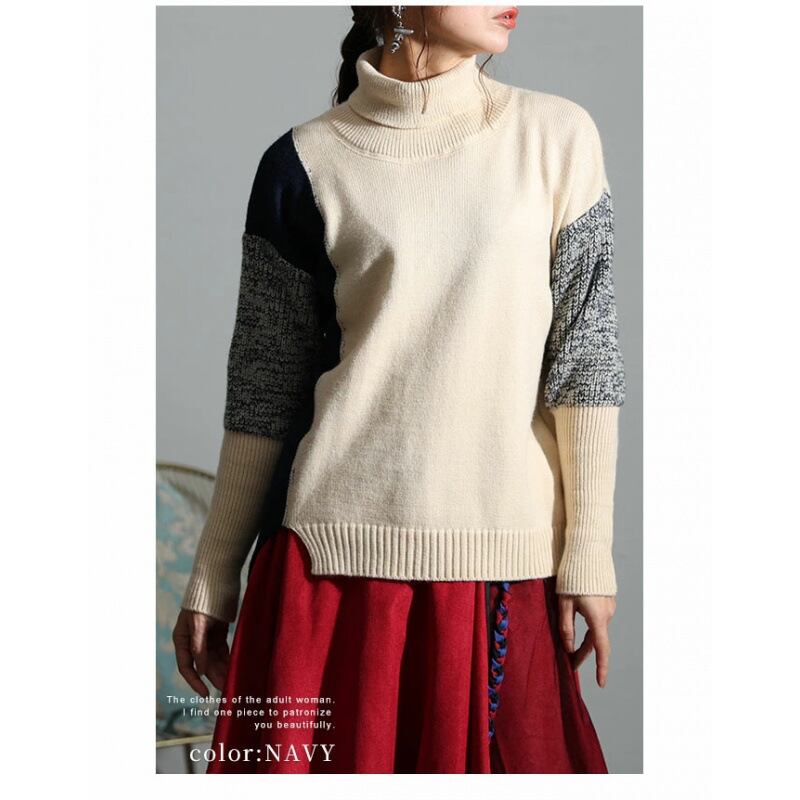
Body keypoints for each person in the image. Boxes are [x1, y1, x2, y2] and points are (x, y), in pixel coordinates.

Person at [172, 4, 626, 774]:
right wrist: (214, 575)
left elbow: (585, 361)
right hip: (326, 575)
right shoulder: (303, 162)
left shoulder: (556, 137)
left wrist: (589, 554)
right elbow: (265, 387)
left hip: (502, 564)